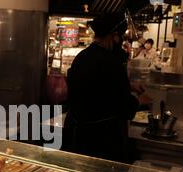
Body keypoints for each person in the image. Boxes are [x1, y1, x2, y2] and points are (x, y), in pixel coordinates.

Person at [63, 13, 148, 163]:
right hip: (102, 141)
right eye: (120, 37)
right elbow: (125, 109)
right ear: (114, 36)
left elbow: (94, 88)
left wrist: (128, 85)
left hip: (76, 136)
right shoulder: (113, 63)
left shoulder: (81, 57)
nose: (120, 42)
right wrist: (140, 100)